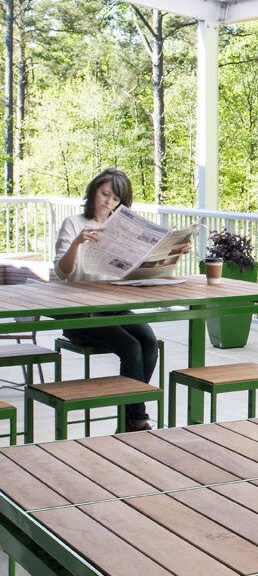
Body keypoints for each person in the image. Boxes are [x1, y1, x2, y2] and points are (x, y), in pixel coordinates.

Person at [53, 168, 187, 433]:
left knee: (148, 341)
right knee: (130, 346)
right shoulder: (73, 223)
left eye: (115, 199)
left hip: (113, 307)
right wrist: (77, 244)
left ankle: (129, 414)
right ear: (94, 191)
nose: (107, 202)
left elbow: (141, 268)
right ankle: (136, 418)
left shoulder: (121, 229)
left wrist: (174, 251)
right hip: (79, 314)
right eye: (104, 194)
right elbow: (62, 272)